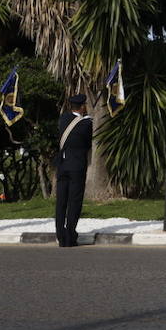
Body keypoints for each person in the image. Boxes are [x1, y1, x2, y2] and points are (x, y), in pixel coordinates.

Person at [55, 93, 92, 248]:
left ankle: (60, 235)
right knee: (74, 202)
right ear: (82, 106)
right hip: (77, 166)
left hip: (62, 165)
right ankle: (70, 235)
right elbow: (87, 144)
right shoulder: (86, 124)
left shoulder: (63, 119)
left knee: (61, 201)